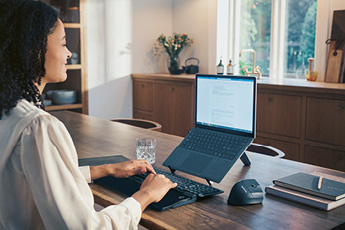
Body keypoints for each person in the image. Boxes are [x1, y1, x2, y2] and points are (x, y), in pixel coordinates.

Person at [0, 0, 176, 229]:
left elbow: (38, 178)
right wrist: (146, 195)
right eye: (63, 44)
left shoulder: (10, 111)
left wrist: (106, 169)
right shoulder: (38, 127)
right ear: (33, 50)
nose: (68, 53)